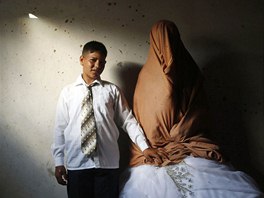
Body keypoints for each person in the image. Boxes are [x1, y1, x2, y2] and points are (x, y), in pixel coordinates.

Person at [120, 20, 263, 197]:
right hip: (156, 147)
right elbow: (145, 122)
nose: (168, 47)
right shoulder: (147, 79)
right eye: (163, 41)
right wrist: (160, 144)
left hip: (191, 143)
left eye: (171, 40)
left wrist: (180, 135)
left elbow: (199, 114)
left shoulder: (190, 73)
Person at [51, 41, 160, 198]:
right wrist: (58, 161)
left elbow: (128, 121)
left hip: (108, 164)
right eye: (93, 60)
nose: (97, 65)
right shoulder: (67, 93)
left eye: (101, 62)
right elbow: (60, 129)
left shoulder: (112, 90)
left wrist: (145, 147)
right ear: (82, 60)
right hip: (77, 164)